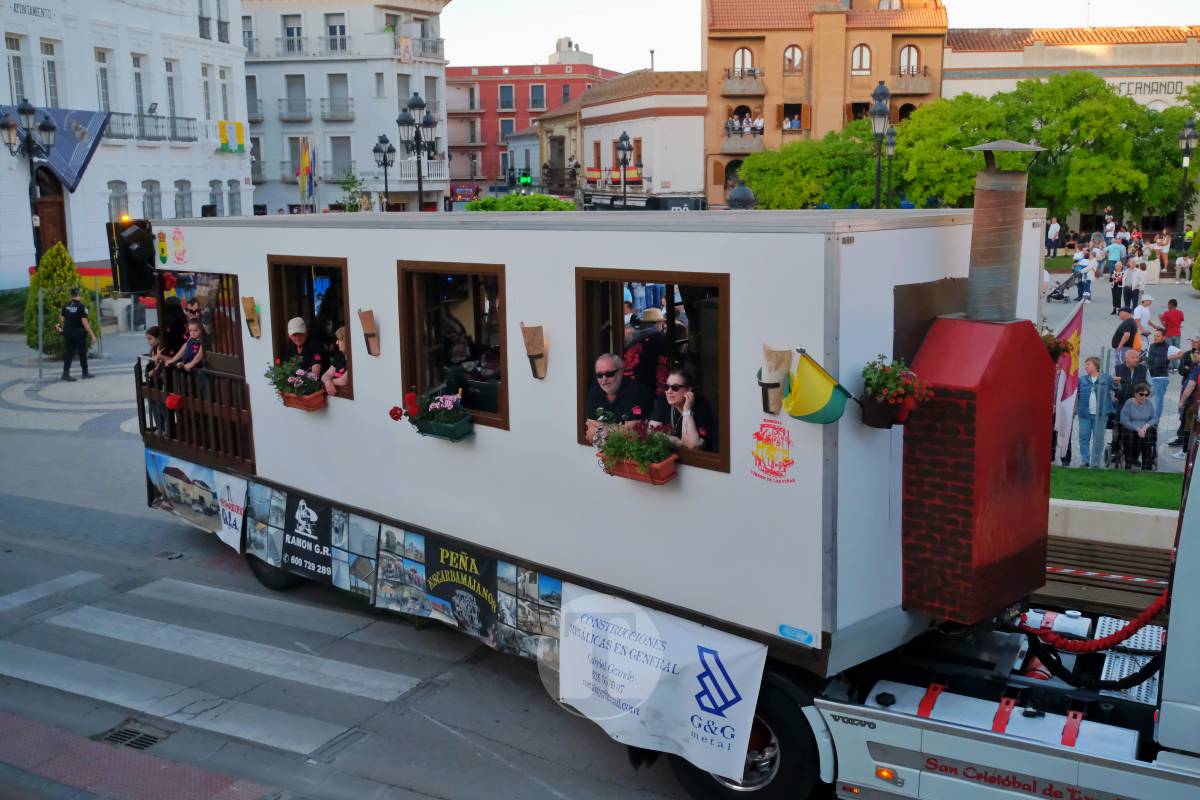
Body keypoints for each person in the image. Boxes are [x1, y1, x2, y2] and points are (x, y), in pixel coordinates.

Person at [585, 353, 651, 443]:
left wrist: (600, 431)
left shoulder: (635, 391)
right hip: (606, 451)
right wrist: (621, 429)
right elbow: (590, 424)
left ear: (621, 371)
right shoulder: (594, 389)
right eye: (599, 375)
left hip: (631, 452)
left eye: (609, 374)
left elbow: (634, 430)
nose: (604, 379)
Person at [650, 368, 712, 451]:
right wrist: (675, 441)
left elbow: (693, 446)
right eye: (666, 387)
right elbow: (651, 432)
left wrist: (687, 411)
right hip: (669, 458)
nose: (669, 391)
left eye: (675, 387)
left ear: (688, 390)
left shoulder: (701, 407)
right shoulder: (664, 400)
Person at [623, 308, 668, 398]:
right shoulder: (658, 337)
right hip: (649, 383)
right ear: (657, 322)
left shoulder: (631, 335)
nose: (663, 325)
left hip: (629, 382)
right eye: (661, 322)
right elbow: (662, 364)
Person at [56, 287, 97, 382]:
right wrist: (92, 334)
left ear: (71, 295)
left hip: (68, 333)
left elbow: (60, 320)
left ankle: (65, 374)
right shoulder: (81, 306)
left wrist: (58, 330)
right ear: (79, 295)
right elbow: (84, 322)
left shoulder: (66, 306)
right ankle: (85, 373)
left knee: (68, 354)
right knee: (82, 353)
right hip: (79, 334)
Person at [1146, 329, 1183, 424]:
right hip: (1151, 377)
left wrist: (1169, 358)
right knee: (1144, 398)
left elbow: (1181, 353)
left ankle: (1155, 422)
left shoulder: (1169, 347)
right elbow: (1148, 359)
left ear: (1163, 337)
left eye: (1158, 336)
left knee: (1158, 402)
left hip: (1161, 379)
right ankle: (1147, 418)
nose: (1155, 337)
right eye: (1155, 335)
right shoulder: (1151, 346)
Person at [1119, 382, 1157, 470]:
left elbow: (1155, 418)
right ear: (1136, 394)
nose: (1144, 397)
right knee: (1129, 435)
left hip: (1145, 430)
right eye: (1141, 394)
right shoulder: (1129, 403)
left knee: (1149, 434)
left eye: (1146, 395)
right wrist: (1137, 429)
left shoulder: (1149, 403)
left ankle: (1147, 466)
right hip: (1131, 428)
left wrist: (1145, 426)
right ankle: (1129, 462)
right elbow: (1123, 420)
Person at [1076, 357, 1102, 467]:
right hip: (1084, 414)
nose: (1086, 366)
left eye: (1088, 364)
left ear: (1096, 366)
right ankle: (1085, 459)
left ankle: (1096, 460)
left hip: (1099, 415)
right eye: (1085, 364)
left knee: (1098, 438)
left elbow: (1116, 388)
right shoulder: (1081, 380)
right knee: (1083, 437)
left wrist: (1116, 384)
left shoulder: (1104, 379)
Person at [321, 326, 350, 397]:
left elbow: (343, 381)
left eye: (339, 339)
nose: (336, 342)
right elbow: (325, 375)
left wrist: (329, 381)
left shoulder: (353, 359)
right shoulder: (340, 356)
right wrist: (327, 381)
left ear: (346, 340)